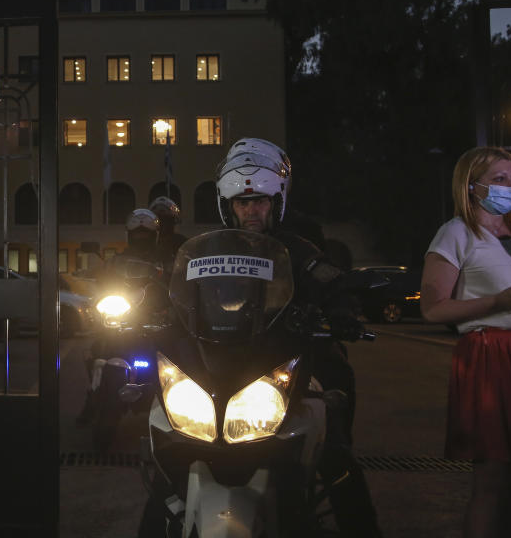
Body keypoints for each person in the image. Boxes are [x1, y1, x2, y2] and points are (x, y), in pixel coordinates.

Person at [140, 137, 382, 537]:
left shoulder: (298, 250)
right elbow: (175, 289)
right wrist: (152, 306)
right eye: (242, 202)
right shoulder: (205, 255)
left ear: (277, 202)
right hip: (221, 360)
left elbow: (333, 283)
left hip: (280, 358)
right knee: (170, 459)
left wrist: (341, 312)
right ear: (227, 205)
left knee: (335, 452)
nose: (251, 210)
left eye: (261, 202)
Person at [420, 146, 511, 537]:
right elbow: (432, 308)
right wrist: (496, 302)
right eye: (499, 179)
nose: (510, 186)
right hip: (494, 359)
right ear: (472, 186)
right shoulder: (456, 233)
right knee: (494, 478)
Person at [76, 208, 163, 426]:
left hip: (155, 316)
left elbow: (180, 283)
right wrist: (93, 279)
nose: (141, 238)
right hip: (125, 313)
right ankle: (92, 397)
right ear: (129, 235)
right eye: (137, 234)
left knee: (171, 356)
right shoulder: (117, 261)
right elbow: (103, 277)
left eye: (146, 234)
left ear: (155, 236)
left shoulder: (166, 260)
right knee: (97, 348)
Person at [147, 196, 187, 275]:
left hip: (175, 284)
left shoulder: (183, 243)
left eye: (166, 219)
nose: (162, 224)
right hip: (146, 284)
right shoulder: (145, 242)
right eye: (159, 220)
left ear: (174, 221)